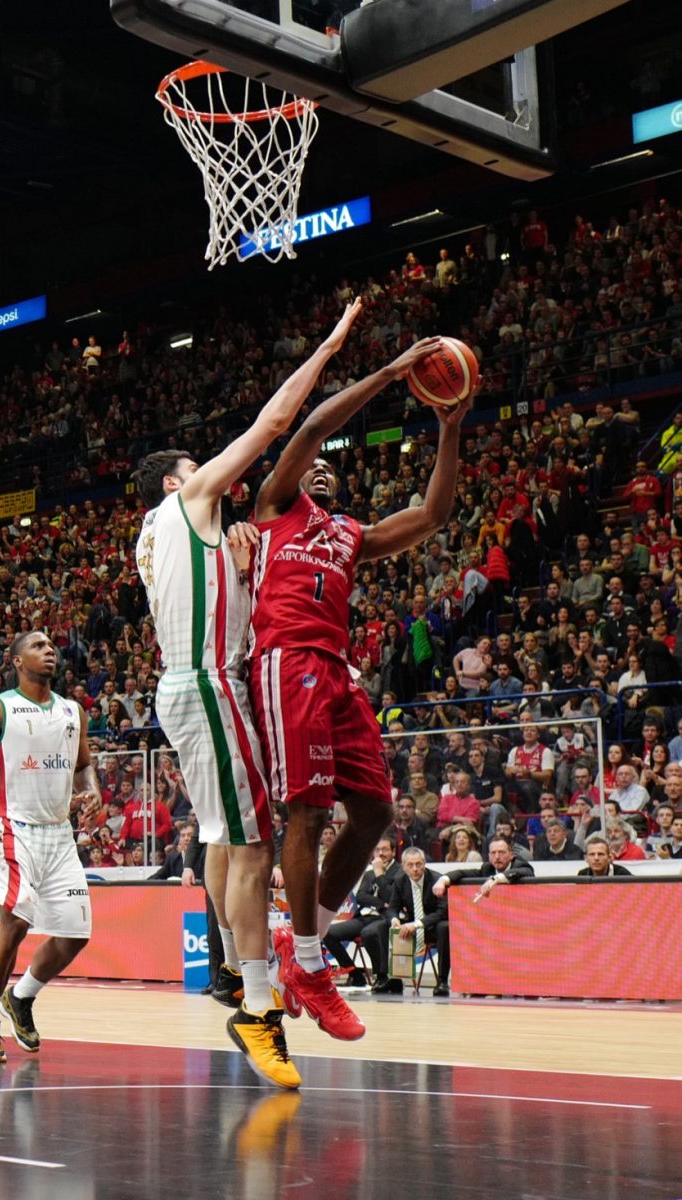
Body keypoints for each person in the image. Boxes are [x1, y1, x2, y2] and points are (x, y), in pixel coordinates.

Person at [134, 303, 364, 1090]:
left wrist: (240, 570)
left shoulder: (163, 537)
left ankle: (236, 970)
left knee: (227, 838)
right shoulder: (187, 501)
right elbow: (272, 424)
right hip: (208, 685)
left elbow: (213, 603)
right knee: (255, 844)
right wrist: (328, 347)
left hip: (189, 682)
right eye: (198, 465)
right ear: (177, 480)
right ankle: (257, 1006)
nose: (213, 471)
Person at [244, 336, 469, 1040]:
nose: (320, 470)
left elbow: (431, 516)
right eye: (314, 467)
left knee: (373, 812)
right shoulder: (273, 508)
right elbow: (312, 426)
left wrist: (450, 426)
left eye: (330, 472)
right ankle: (311, 963)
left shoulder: (349, 534)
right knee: (308, 813)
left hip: (337, 671)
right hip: (287, 660)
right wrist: (391, 373)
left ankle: (300, 940)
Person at [0, 631, 101, 1064]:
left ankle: (21, 997)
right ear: (17, 661)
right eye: (37, 646)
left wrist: (92, 789)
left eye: (51, 645)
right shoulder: (0, 708)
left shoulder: (73, 711)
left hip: (59, 833)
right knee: (16, 922)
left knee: (75, 934)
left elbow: (84, 765)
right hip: (12, 829)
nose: (49, 650)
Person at [323, 836, 401, 988]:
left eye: (385, 849)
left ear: (393, 852)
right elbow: (360, 897)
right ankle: (355, 975)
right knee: (328, 933)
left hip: (386, 918)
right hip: (365, 916)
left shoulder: (399, 872)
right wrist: (381, 904)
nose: (380, 853)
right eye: (377, 850)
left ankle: (381, 976)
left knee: (369, 933)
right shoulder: (368, 873)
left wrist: (379, 873)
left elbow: (390, 897)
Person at [373, 847, 450, 997]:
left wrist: (416, 924)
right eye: (410, 865)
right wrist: (394, 919)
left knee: (444, 927)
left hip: (431, 925)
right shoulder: (400, 880)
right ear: (403, 866)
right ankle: (392, 978)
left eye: (418, 864)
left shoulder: (436, 879)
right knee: (383, 926)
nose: (415, 869)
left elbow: (442, 912)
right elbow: (392, 907)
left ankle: (442, 981)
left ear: (424, 863)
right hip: (410, 926)